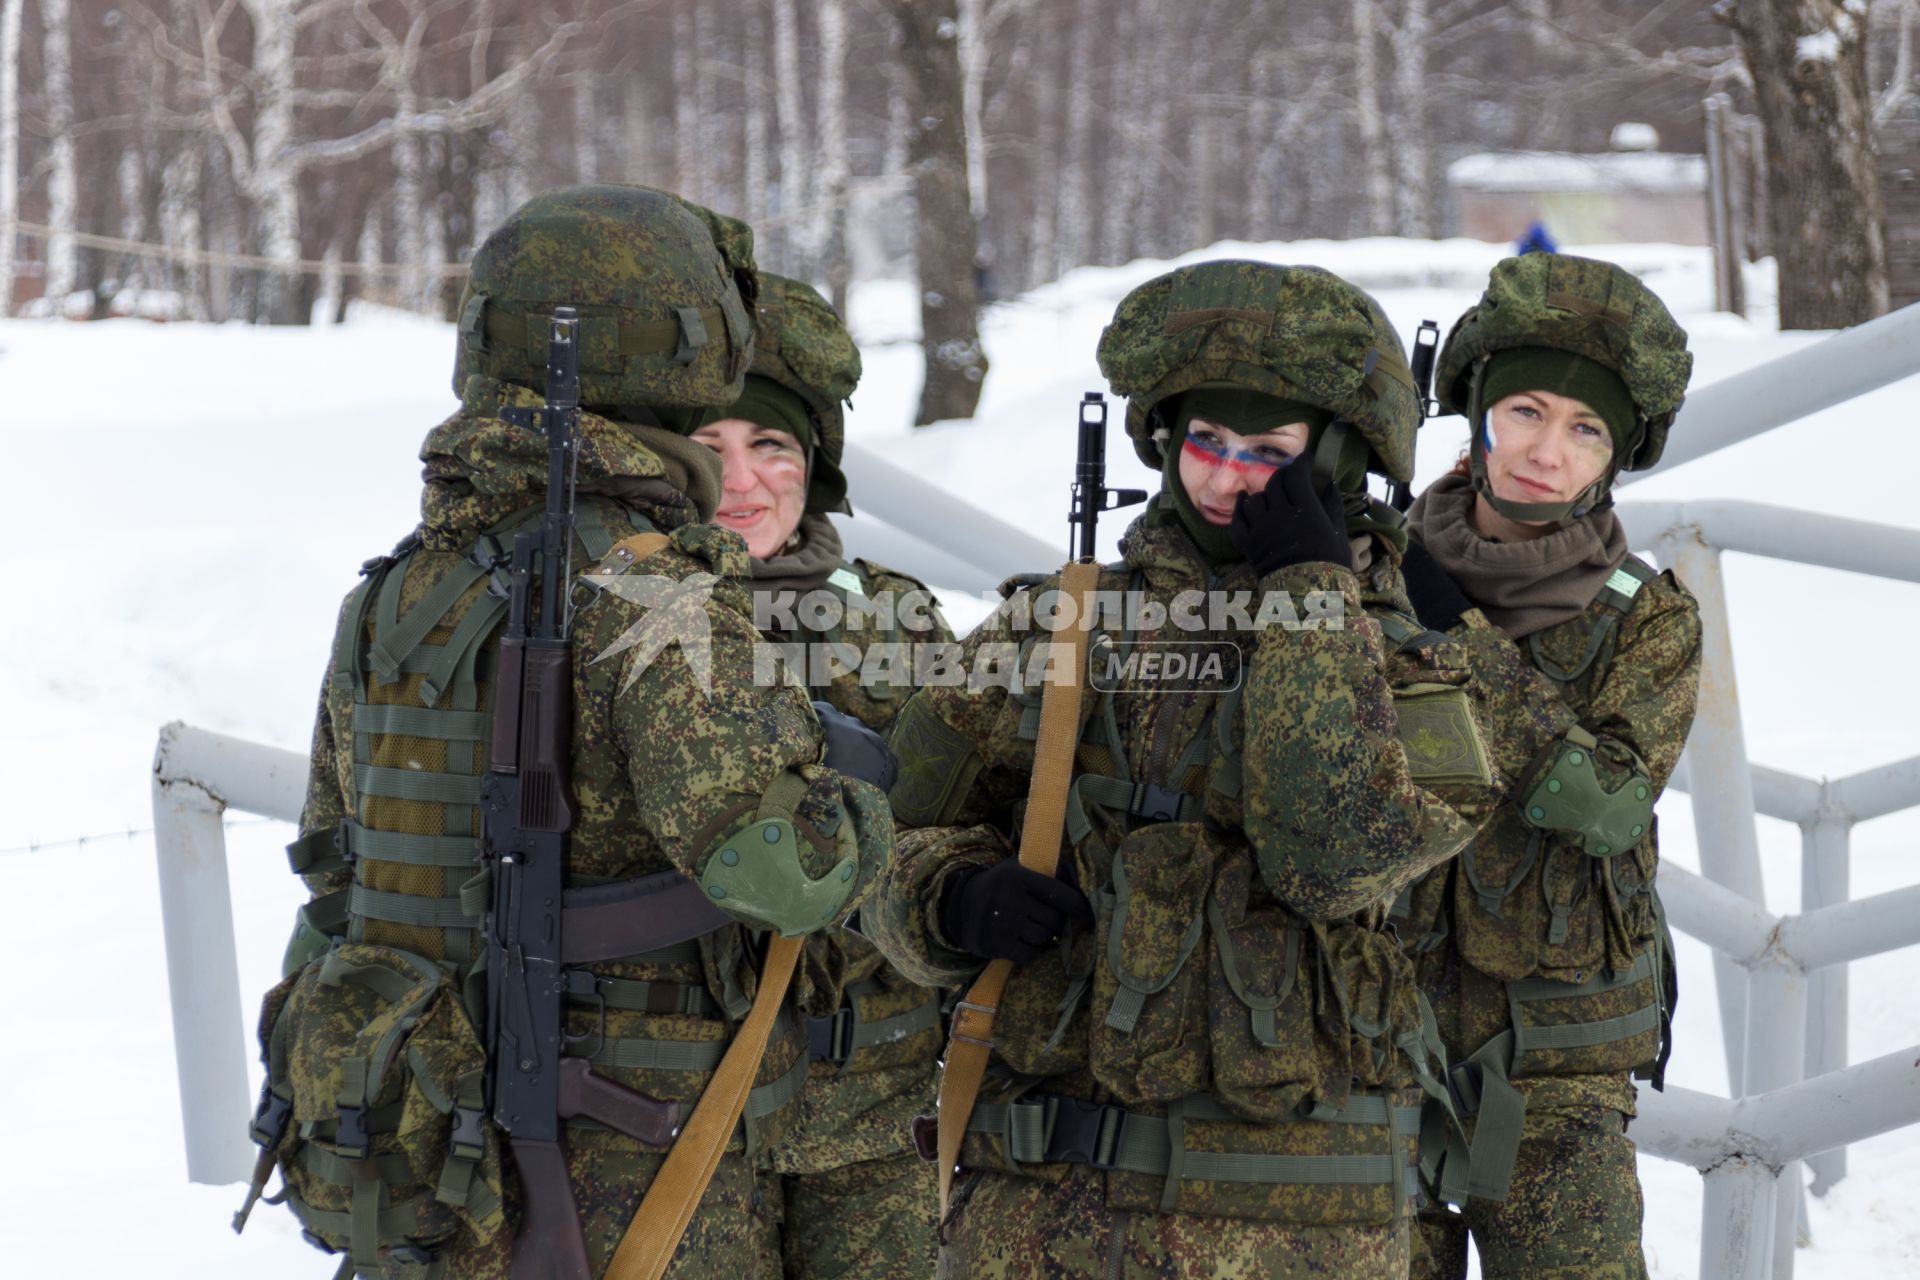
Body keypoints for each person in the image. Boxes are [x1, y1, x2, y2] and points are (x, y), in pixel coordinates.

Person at [241, 185, 898, 1280]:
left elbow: (334, 864)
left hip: (432, 1137)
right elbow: (785, 871)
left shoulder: (401, 583)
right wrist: (859, 800)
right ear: (686, 352)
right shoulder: (660, 592)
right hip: (628, 1151)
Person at [866, 260, 1508, 1277]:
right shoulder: (1060, 618)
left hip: (1297, 1227)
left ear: (1334, 460)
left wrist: (1308, 595)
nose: (1222, 476)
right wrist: (949, 898)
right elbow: (888, 838)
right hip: (1045, 1211)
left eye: (1267, 452)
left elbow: (1331, 858)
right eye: (1205, 440)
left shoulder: (1427, 653)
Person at [1393, 252, 1701, 1280]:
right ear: (1476, 415)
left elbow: (1606, 803)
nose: (1545, 451)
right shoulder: (1365, 573)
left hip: (1558, 1066)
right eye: (1524, 410)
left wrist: (1459, 643)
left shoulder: (1648, 617)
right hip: (1368, 1043)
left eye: (1586, 429)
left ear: (1614, 456)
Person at [690, 272, 950, 1279]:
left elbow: (962, 827)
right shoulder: (610, 618)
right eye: (709, 448)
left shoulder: (898, 619)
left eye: (771, 447)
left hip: (877, 1109)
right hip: (674, 1106)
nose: (740, 482)